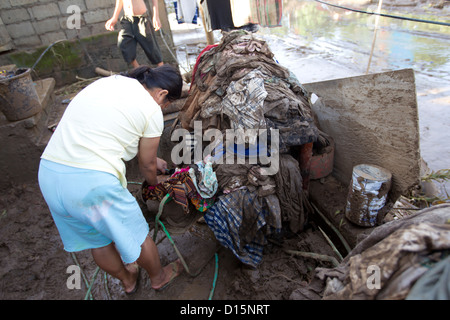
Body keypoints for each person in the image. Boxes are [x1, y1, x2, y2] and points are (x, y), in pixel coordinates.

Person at [38, 64, 184, 294]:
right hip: (92, 182)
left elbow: (111, 129)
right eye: (167, 104)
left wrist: (154, 159)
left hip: (50, 174)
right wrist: (157, 185)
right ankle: (159, 277)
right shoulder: (151, 108)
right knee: (137, 235)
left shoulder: (110, 83)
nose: (163, 107)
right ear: (162, 94)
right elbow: (145, 166)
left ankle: (128, 280)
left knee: (98, 241)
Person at [105, 0, 164, 68]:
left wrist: (156, 16)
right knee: (123, 44)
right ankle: (139, 70)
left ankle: (162, 70)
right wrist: (114, 17)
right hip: (127, 19)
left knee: (151, 47)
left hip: (141, 18)